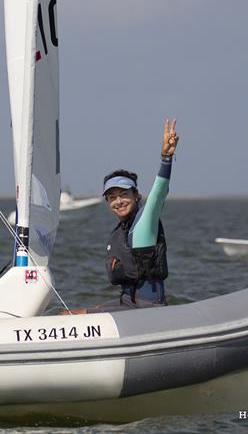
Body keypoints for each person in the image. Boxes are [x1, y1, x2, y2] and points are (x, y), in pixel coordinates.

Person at [69, 119, 179, 314]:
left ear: (136, 196)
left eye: (124, 194)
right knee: (74, 313)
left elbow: (158, 194)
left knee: (74, 316)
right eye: (112, 197)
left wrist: (166, 158)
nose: (118, 201)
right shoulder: (122, 229)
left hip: (146, 309)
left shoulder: (144, 223)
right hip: (128, 302)